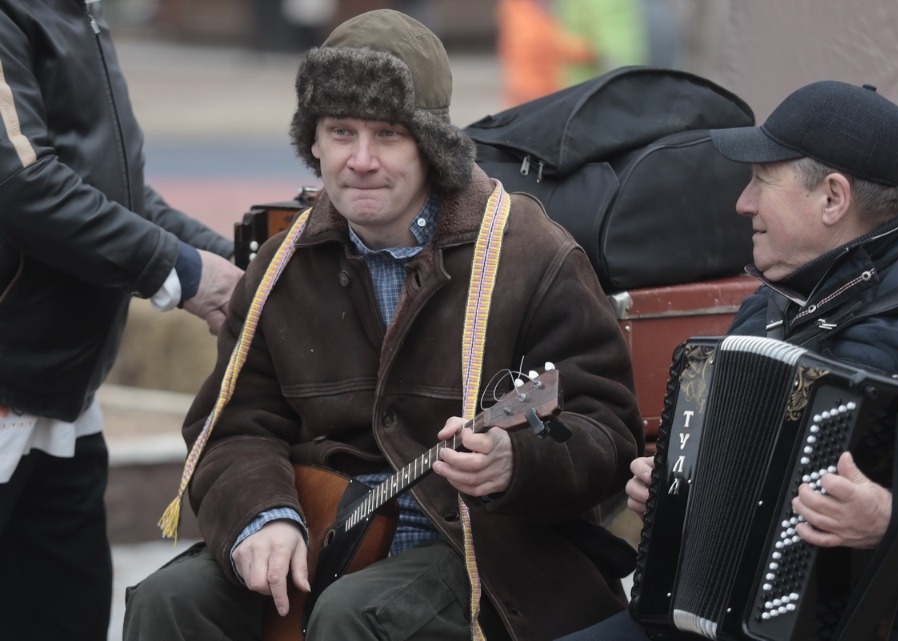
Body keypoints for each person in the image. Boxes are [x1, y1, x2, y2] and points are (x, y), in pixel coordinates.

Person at [122, 9, 643, 641]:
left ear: (432, 145)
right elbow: (232, 427)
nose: (361, 160)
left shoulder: (530, 254)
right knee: (168, 599)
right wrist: (264, 515)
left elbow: (607, 431)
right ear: (313, 143)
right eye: (341, 132)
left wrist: (517, 461)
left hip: (483, 550)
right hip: (326, 531)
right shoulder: (281, 264)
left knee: (356, 614)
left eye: (388, 135)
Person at [557, 81, 898, 640]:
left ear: (832, 198)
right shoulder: (772, 303)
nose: (743, 202)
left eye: (761, 180)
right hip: (719, 611)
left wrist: (895, 518)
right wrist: (677, 490)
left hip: (880, 621)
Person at [0, 2, 243, 640]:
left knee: (66, 615)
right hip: (12, 370)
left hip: (62, 388)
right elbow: (22, 185)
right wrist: (185, 272)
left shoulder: (75, 10)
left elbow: (117, 192)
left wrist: (235, 262)